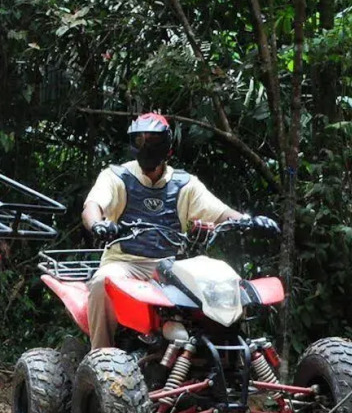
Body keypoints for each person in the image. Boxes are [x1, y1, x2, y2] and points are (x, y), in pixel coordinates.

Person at [80, 113, 271, 348]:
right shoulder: (117, 177)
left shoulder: (184, 184)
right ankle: (100, 357)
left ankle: (231, 354)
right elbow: (93, 206)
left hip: (172, 266)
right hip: (126, 263)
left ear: (166, 145)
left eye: (152, 140)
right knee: (101, 282)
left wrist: (249, 221)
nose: (145, 146)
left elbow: (220, 212)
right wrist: (98, 224)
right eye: (140, 140)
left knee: (225, 281)